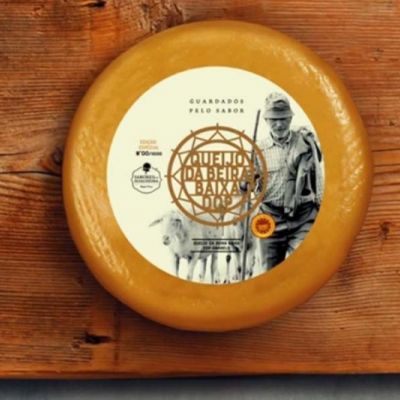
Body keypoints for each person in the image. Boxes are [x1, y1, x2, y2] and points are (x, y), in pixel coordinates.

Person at [254, 92, 324, 270]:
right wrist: (245, 184)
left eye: (283, 118)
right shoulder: (258, 149)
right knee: (270, 275)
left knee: (305, 268)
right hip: (269, 219)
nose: (279, 124)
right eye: (273, 119)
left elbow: (319, 165)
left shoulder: (305, 142)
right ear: (266, 120)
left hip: (303, 217)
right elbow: (249, 183)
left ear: (291, 118)